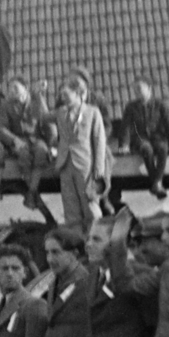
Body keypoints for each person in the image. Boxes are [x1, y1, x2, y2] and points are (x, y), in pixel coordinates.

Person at [52, 76, 108, 235]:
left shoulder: (92, 112)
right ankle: (77, 240)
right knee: (70, 208)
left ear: (77, 93)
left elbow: (100, 142)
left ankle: (97, 239)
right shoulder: (60, 113)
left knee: (90, 206)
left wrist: (99, 170)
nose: (63, 97)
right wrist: (37, 96)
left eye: (66, 94)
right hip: (65, 165)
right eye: (62, 94)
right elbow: (41, 117)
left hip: (86, 167)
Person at [0, 76, 52, 212]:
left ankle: (31, 192)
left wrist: (52, 143)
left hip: (36, 138)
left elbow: (46, 119)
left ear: (25, 88)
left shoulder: (36, 101)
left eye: (15, 87)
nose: (12, 91)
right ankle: (33, 193)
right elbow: (1, 128)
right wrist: (14, 140)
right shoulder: (6, 105)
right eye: (10, 88)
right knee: (23, 155)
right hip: (18, 140)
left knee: (41, 152)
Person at [116, 76, 169, 202]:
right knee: (147, 149)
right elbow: (125, 126)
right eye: (135, 89)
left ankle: (157, 182)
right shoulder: (131, 107)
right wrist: (124, 144)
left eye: (139, 88)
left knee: (163, 148)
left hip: (157, 137)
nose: (137, 92)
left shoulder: (160, 105)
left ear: (149, 88)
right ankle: (157, 183)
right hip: (140, 138)